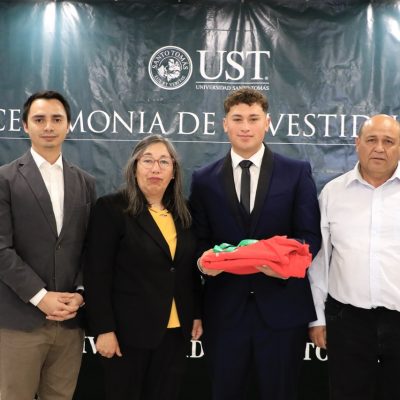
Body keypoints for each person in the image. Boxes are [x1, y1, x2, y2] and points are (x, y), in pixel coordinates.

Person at [189, 87, 321, 400]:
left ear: (267, 123)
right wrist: (203, 264)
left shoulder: (296, 172)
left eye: (253, 118)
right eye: (237, 119)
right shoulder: (204, 179)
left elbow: (310, 237)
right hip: (224, 312)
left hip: (282, 310)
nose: (245, 126)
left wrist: (285, 266)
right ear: (225, 124)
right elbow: (199, 240)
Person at [84, 135, 203, 400]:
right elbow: (97, 274)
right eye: (147, 160)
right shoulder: (112, 208)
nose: (155, 168)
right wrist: (103, 329)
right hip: (127, 334)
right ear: (134, 167)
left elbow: (187, 271)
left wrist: (196, 313)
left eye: (164, 162)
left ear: (173, 172)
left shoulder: (184, 213)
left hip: (175, 333)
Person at [0, 90, 96, 400]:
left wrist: (80, 294)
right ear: (25, 125)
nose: (49, 126)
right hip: (19, 321)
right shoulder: (5, 179)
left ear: (69, 125)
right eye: (39, 119)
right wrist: (40, 297)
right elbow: (1, 250)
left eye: (57, 119)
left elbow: (90, 248)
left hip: (70, 322)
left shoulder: (86, 182)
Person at [308, 114, 400, 400]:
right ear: (357, 143)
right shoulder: (333, 193)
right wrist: (317, 318)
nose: (379, 148)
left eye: (389, 141)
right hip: (347, 321)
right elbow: (319, 262)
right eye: (371, 140)